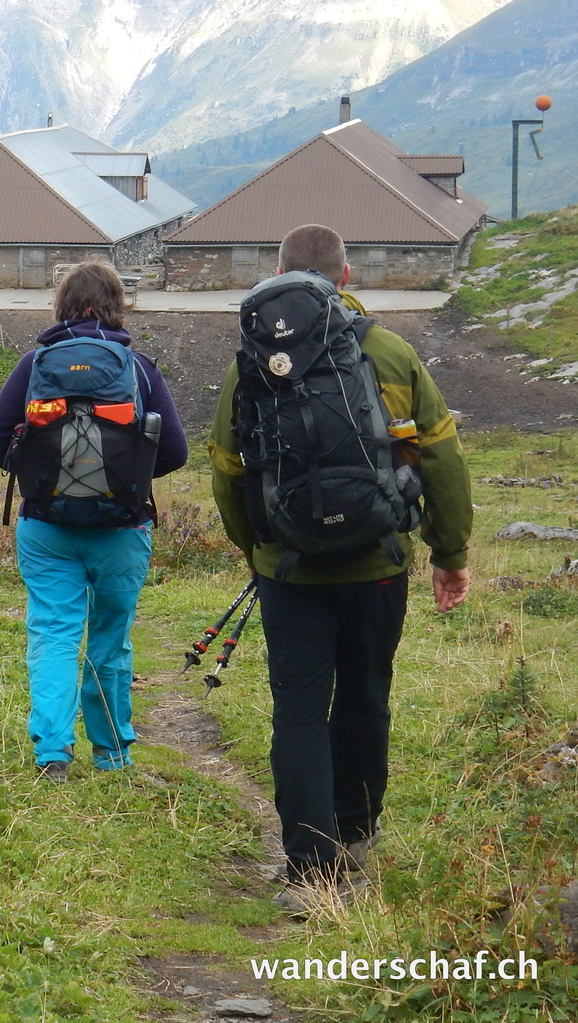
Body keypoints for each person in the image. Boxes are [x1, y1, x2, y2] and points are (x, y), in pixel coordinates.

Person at [208, 224, 472, 911]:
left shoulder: (252, 365)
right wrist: (451, 553)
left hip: (288, 572)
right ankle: (355, 835)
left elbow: (227, 469)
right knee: (364, 696)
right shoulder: (389, 352)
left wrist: (257, 547)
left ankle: (310, 869)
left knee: (297, 708)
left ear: (277, 271)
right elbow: (440, 457)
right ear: (345, 277)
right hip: (377, 564)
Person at [0, 261, 189, 782]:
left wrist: (39, 472)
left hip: (46, 527)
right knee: (110, 639)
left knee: (52, 634)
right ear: (118, 304)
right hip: (121, 529)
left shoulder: (35, 364)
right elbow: (177, 452)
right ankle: (113, 753)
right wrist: (130, 481)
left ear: (61, 305)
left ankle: (53, 753)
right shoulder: (137, 368)